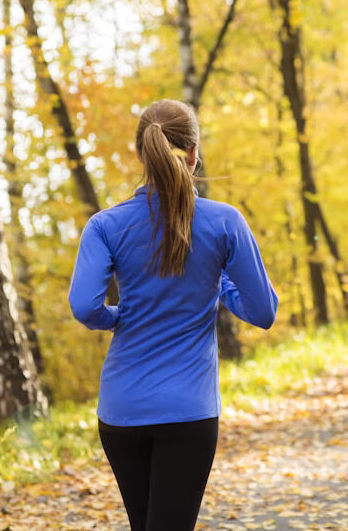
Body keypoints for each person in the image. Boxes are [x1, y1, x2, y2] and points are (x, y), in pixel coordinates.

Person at [67, 99, 278, 531]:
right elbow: (263, 311)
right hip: (188, 412)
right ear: (195, 152)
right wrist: (218, 285)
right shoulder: (224, 222)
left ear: (140, 153)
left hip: (121, 410)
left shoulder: (106, 225)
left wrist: (117, 317)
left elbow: (84, 306)